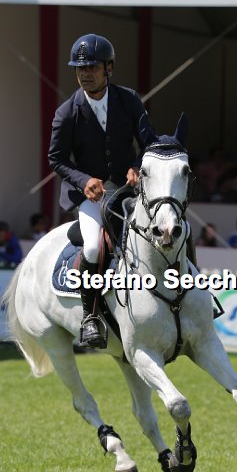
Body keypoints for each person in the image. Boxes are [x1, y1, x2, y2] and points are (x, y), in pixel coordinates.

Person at [48, 34, 147, 348]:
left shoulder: (129, 100)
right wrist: (83, 180)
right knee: (92, 248)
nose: (85, 73)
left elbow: (149, 143)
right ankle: (90, 317)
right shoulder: (67, 112)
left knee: (168, 228)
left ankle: (191, 295)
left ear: (109, 68)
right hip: (93, 196)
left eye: (91, 67)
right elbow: (56, 159)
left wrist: (136, 165)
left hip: (129, 191)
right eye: (80, 68)